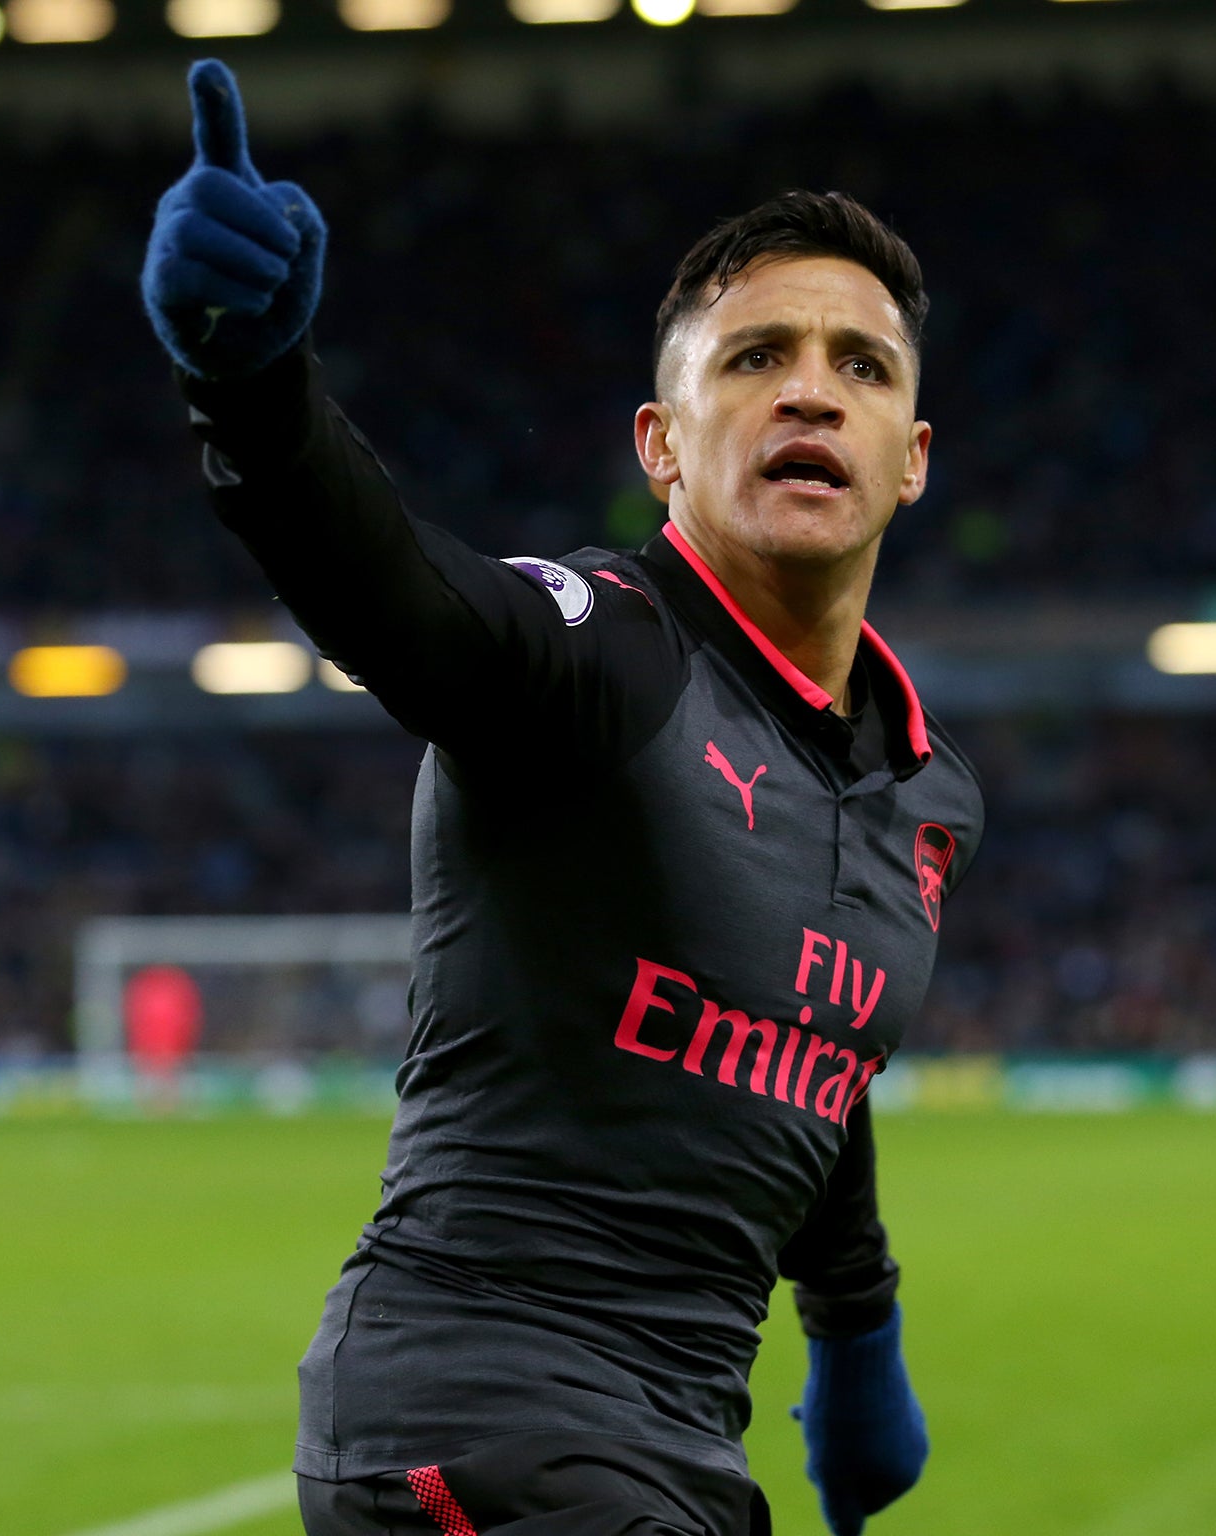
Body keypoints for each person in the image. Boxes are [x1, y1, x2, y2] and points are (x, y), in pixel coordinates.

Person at [142, 62, 985, 1536]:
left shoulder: (927, 798)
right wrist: (255, 390)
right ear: (661, 449)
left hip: (677, 1444)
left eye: (863, 366)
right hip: (469, 1411)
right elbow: (403, 600)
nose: (810, 388)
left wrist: (860, 1332)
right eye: (754, 357)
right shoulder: (603, 654)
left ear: (910, 461)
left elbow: (813, 1029)